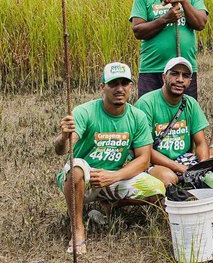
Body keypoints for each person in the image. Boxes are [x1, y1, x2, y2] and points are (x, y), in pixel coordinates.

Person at [53, 62, 165, 254]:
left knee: (157, 189)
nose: (119, 89)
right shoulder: (85, 111)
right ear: (102, 87)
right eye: (113, 83)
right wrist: (63, 137)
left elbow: (144, 160)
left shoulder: (137, 117)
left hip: (112, 177)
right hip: (85, 177)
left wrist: (114, 176)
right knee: (77, 167)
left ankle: (111, 204)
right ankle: (78, 228)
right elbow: (62, 150)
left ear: (131, 86)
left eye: (124, 83)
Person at [130, 0, 208, 99]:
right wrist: (165, 19)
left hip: (183, 70)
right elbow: (138, 31)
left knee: (184, 118)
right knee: (148, 116)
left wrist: (183, 1)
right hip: (152, 69)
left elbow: (200, 24)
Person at [136, 57, 209, 186]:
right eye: (174, 74)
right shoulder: (146, 103)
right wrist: (179, 168)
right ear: (164, 77)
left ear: (189, 81)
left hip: (183, 158)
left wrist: (203, 167)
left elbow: (201, 142)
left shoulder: (191, 103)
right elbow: (145, 150)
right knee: (168, 179)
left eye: (185, 76)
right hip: (152, 160)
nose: (180, 79)